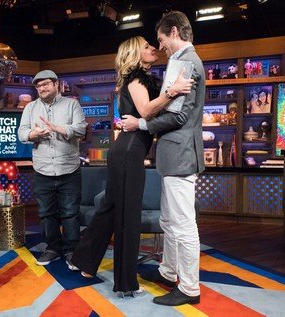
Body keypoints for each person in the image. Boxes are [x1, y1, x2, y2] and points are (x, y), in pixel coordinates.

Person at [70, 36, 193, 295]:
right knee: (128, 216)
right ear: (136, 55)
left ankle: (84, 261)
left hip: (126, 150)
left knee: (110, 209)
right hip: (128, 152)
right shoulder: (137, 79)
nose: (153, 50)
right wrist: (172, 92)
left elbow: (146, 114)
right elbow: (146, 111)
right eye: (147, 47)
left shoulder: (139, 79)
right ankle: (125, 282)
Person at [121, 11, 205, 306]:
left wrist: (140, 124)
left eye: (161, 40)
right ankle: (169, 272)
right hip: (173, 155)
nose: (161, 46)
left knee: (183, 224)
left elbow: (180, 114)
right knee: (170, 219)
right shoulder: (181, 60)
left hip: (181, 155)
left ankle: (190, 288)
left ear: (173, 32)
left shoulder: (185, 62)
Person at [18, 70, 87, 267]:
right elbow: (21, 133)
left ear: (56, 84)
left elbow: (81, 129)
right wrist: (34, 133)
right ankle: (52, 248)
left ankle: (72, 250)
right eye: (38, 86)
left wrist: (57, 128)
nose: (42, 88)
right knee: (46, 213)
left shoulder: (72, 104)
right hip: (42, 169)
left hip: (69, 169)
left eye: (46, 84)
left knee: (70, 212)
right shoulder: (30, 108)